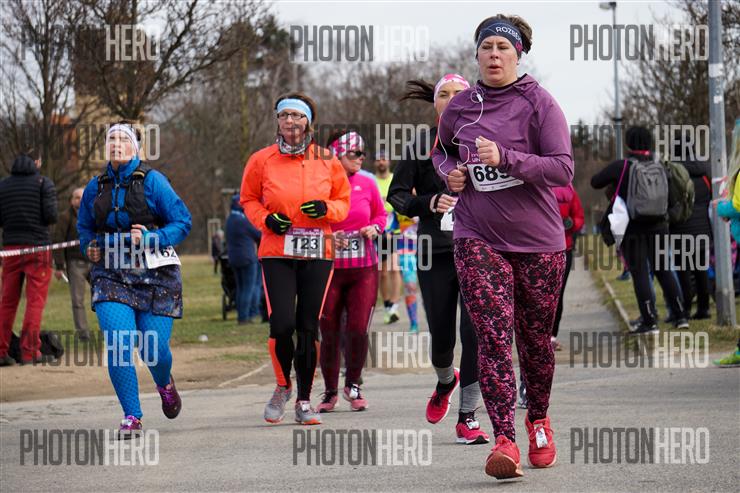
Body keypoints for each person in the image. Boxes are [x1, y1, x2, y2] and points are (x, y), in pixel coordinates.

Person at [433, 16, 571, 478]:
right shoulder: (460, 106)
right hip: (477, 235)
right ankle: (504, 440)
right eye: (486, 46)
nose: (494, 54)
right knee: (492, 336)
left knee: (534, 340)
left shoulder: (539, 103)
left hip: (539, 242)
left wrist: (506, 158)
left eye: (503, 47)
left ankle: (538, 422)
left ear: (518, 54)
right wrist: (450, 174)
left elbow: (562, 169)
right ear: (476, 53)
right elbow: (442, 151)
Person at [388, 73, 490, 445]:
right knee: (442, 338)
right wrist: (430, 202)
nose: (451, 98)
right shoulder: (420, 145)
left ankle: (468, 416)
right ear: (435, 104)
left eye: (458, 92)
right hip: (436, 251)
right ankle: (446, 381)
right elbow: (397, 195)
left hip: (479, 248)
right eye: (443, 94)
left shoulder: (485, 142)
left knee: (474, 333)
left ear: (472, 98)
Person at [240, 92, 350, 425]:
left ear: (308, 122)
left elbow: (343, 203)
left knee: (307, 325)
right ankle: (282, 386)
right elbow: (248, 199)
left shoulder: (328, 159)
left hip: (317, 251)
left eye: (297, 115)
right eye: (284, 115)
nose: (290, 121)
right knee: (282, 323)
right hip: (277, 251)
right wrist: (266, 219)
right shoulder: (261, 160)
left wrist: (326, 208)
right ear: (277, 121)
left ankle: (304, 400)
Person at [77, 121, 192, 438]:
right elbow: (84, 227)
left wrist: (154, 238)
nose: (115, 143)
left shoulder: (154, 182)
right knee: (119, 342)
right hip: (111, 274)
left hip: (156, 273)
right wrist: (89, 247)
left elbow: (183, 222)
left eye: (122, 139)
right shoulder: (95, 187)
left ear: (136, 148)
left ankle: (164, 383)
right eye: (111, 138)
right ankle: (132, 415)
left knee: (153, 349)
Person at [591, 126, 689, 334]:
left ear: (628, 143)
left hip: (633, 228)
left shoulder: (622, 166)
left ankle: (650, 321)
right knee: (664, 270)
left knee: (641, 273)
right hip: (660, 226)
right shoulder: (661, 164)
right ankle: (681, 316)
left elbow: (595, 182)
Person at [316, 130, 385, 413]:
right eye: (354, 153)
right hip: (328, 269)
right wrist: (328, 238)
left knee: (358, 328)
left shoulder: (367, 182)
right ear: (336, 155)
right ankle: (330, 391)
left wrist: (375, 228)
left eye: (362, 153)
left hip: (363, 268)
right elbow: (308, 222)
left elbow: (381, 215)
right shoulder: (321, 185)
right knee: (329, 331)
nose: (361, 158)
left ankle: (353, 384)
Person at [0, 149, 58, 367]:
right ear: (37, 162)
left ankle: (1, 351)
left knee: (7, 302)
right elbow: (51, 216)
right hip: (38, 247)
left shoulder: (3, 185)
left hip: (11, 248)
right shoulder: (44, 183)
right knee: (35, 302)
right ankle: (29, 351)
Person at [670, 154, 712, 320]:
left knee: (683, 271)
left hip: (681, 228)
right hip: (702, 228)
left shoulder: (674, 171)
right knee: (701, 270)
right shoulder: (705, 170)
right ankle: (704, 308)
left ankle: (685, 309)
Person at [53, 187, 93, 341]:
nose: (80, 200)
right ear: (71, 200)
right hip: (75, 263)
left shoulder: (93, 214)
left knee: (103, 296)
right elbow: (58, 242)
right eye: (77, 197)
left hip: (94, 262)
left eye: (82, 197)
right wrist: (59, 266)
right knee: (77, 300)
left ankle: (109, 327)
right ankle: (83, 334)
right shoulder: (65, 217)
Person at [551, 183, 584, 349]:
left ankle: (549, 336)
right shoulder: (568, 190)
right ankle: (547, 336)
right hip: (551, 248)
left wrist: (571, 223)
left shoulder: (569, 191)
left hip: (563, 248)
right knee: (554, 294)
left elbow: (579, 218)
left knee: (556, 294)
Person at [374, 150, 402, 324]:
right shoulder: (371, 180)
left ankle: (395, 306)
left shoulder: (394, 179)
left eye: (384, 159)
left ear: (389, 162)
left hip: (394, 229)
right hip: (376, 230)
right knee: (382, 272)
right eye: (378, 160)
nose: (381, 162)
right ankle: (387, 305)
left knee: (394, 268)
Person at [225, 194, 261, 324]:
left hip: (234, 259)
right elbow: (259, 235)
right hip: (247, 258)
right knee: (249, 288)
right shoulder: (243, 221)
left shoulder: (230, 220)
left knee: (240, 288)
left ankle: (241, 315)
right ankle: (247, 316)